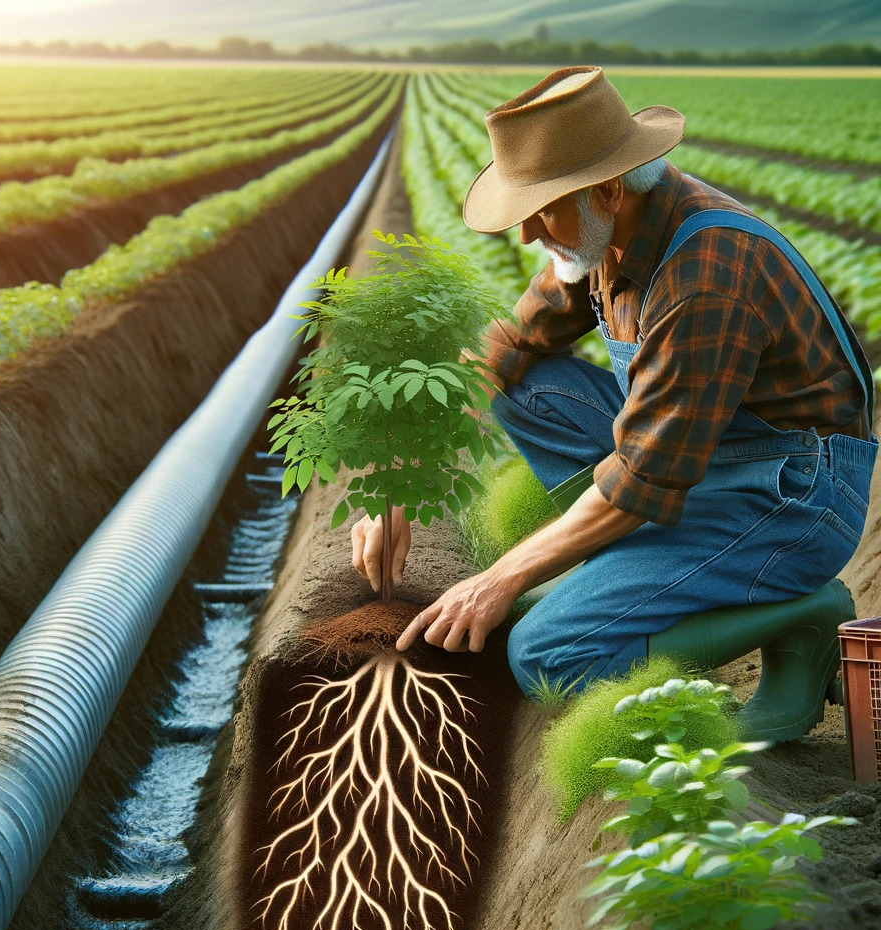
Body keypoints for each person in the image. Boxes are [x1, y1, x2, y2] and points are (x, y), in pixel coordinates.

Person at [351, 65, 878, 741]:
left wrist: (502, 577)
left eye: (542, 208)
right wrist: (400, 479)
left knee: (546, 654)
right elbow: (508, 344)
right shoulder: (603, 231)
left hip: (793, 493)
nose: (527, 233)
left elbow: (640, 480)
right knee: (528, 389)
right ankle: (643, 571)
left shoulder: (704, 279)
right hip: (700, 463)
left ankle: (801, 611)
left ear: (603, 189)